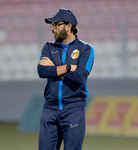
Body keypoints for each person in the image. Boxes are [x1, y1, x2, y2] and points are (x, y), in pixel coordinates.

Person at [37, 8, 94, 150]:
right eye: (51, 25)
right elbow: (42, 71)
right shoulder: (48, 47)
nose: (52, 29)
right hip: (49, 110)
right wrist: (69, 67)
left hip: (73, 110)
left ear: (69, 27)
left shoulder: (86, 49)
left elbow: (80, 76)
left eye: (56, 25)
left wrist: (55, 69)